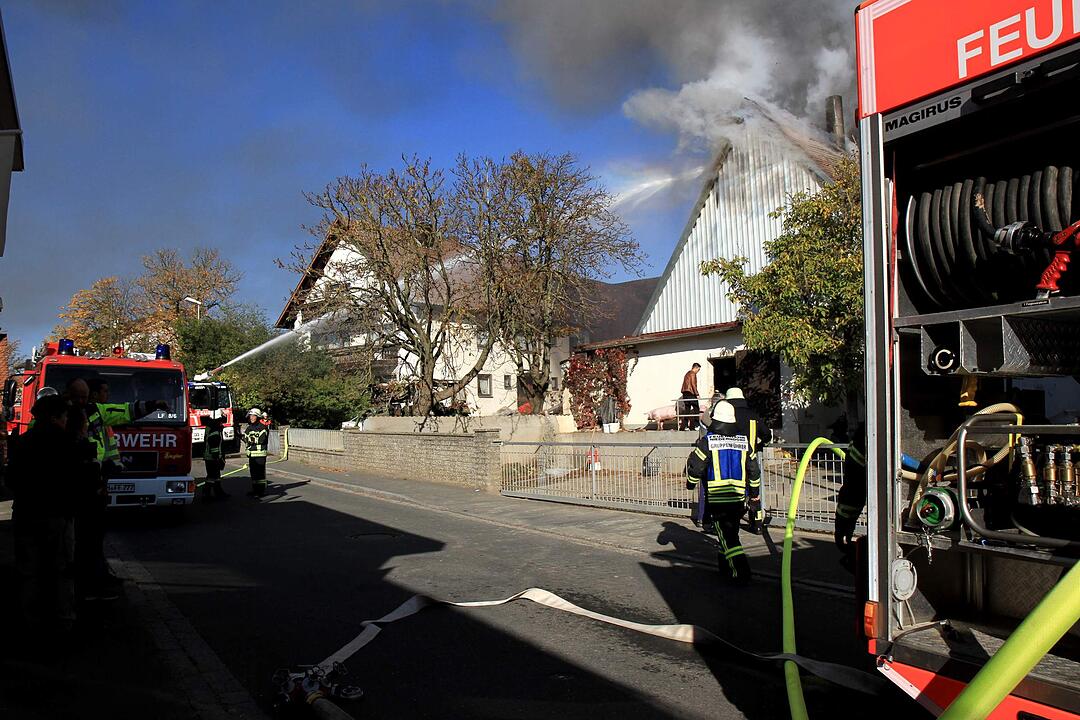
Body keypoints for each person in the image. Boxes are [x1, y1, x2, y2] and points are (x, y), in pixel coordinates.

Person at [7, 394, 93, 632]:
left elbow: (11, 478)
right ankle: (63, 620)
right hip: (57, 515)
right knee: (61, 569)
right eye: (64, 416)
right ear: (56, 417)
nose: (67, 420)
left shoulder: (24, 442)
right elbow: (80, 481)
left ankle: (30, 622)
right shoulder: (68, 444)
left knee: (29, 570)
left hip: (26, 514)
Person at [685, 400, 760, 583]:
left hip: (718, 500)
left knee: (729, 538)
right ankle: (724, 566)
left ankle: (740, 573)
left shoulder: (708, 441)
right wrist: (754, 493)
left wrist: (691, 483)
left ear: (716, 420)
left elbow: (695, 467)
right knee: (729, 533)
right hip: (738, 499)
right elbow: (754, 470)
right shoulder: (744, 442)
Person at [725, 387, 766, 534]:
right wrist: (758, 445)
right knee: (755, 493)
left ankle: (732, 522)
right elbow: (766, 434)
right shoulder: (753, 415)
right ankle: (757, 525)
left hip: (732, 462)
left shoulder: (727, 416)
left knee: (734, 493)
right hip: (751, 461)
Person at [834, 424, 867, 574]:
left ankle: (845, 541)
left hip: (853, 494)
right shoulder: (864, 437)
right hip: (853, 494)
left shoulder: (861, 436)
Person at [243, 408, 269, 496]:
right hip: (251, 455)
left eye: (253, 416)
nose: (251, 417)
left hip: (260, 455)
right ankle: (255, 490)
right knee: (253, 474)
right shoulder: (249, 428)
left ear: (258, 417)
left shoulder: (263, 428)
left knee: (260, 475)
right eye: (250, 416)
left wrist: (250, 440)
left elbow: (261, 440)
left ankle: (261, 491)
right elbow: (245, 438)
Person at [202, 410, 228, 499]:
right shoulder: (214, 427)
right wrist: (217, 457)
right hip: (212, 457)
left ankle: (219, 492)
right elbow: (213, 442)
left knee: (216, 476)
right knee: (212, 476)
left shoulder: (212, 426)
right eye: (221, 417)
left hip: (210, 456)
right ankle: (206, 494)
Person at [679, 363, 701, 431]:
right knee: (696, 408)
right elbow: (693, 384)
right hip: (691, 393)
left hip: (685, 394)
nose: (698, 371)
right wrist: (697, 394)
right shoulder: (692, 373)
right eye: (698, 369)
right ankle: (697, 425)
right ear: (696, 368)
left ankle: (685, 426)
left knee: (687, 410)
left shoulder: (687, 374)